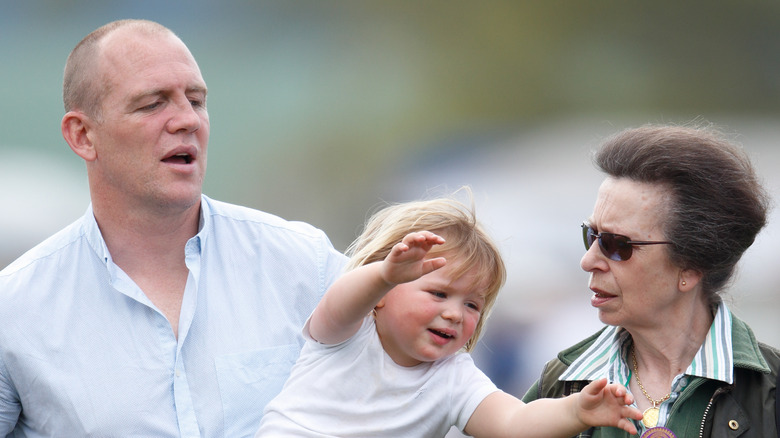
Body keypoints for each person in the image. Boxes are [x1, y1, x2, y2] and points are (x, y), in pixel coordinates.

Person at [0, 19, 346, 437]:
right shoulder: (15, 311)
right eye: (152, 104)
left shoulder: (305, 266)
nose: (187, 121)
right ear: (83, 135)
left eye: (196, 100)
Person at [255, 192, 643, 437]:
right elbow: (342, 300)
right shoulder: (348, 334)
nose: (455, 314)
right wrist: (384, 275)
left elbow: (512, 424)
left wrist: (575, 410)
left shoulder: (453, 378)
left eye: (472, 304)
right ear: (382, 295)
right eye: (439, 293)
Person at [522, 123, 780, 437]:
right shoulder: (562, 384)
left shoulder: (770, 391)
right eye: (591, 235)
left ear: (691, 266)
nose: (588, 261)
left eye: (617, 245)